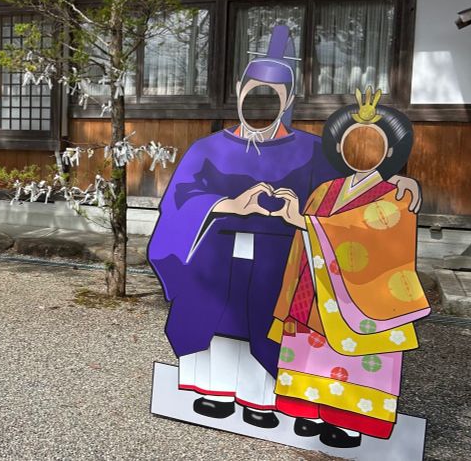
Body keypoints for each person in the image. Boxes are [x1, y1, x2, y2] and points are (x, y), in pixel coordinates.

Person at [147, 26, 419, 430]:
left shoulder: (311, 150)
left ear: (288, 100)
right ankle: (213, 391)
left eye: (271, 95)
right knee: (215, 317)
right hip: (215, 251)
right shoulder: (207, 147)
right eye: (253, 91)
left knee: (266, 321)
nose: (260, 101)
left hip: (281, 255)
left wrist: (395, 179)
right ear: (239, 91)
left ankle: (262, 398)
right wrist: (228, 204)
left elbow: (353, 181)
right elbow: (182, 196)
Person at [266, 88, 430, 448]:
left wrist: (305, 223)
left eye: (372, 141)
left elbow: (366, 230)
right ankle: (309, 409)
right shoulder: (325, 190)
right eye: (355, 140)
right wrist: (302, 221)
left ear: (388, 152)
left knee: (356, 355)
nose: (363, 148)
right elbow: (308, 234)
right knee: (311, 352)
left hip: (360, 295)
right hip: (313, 288)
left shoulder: (394, 195)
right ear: (340, 147)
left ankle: (349, 422)